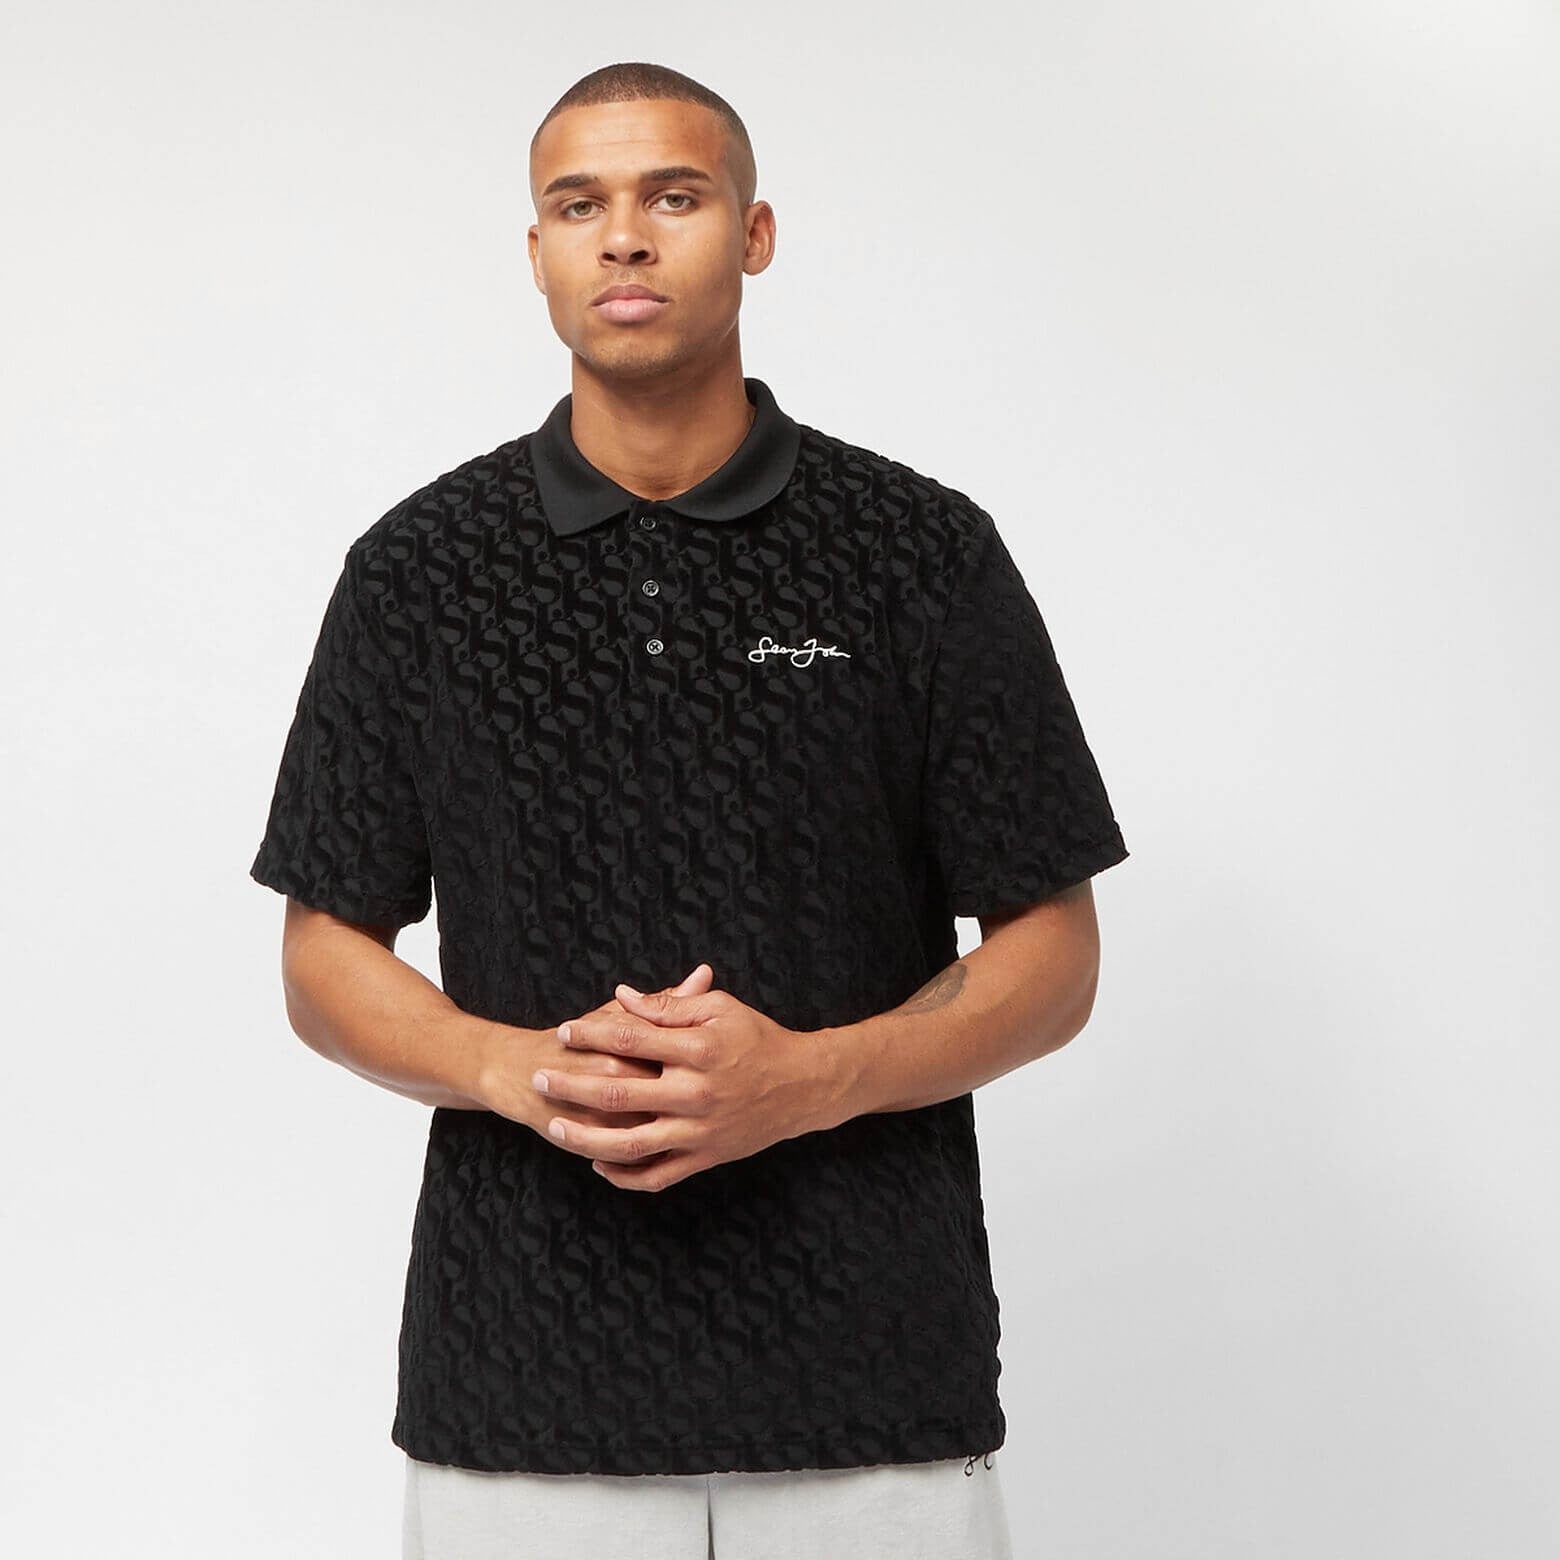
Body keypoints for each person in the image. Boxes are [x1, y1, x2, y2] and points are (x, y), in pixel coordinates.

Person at [250, 59, 1129, 1560]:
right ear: (536, 252)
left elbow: (1054, 952)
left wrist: (811, 1081)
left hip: (874, 1389)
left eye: (674, 195)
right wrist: (515, 1067)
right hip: (521, 1391)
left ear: (756, 233)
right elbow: (325, 953)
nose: (625, 237)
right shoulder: (419, 572)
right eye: (578, 204)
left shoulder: (919, 554)